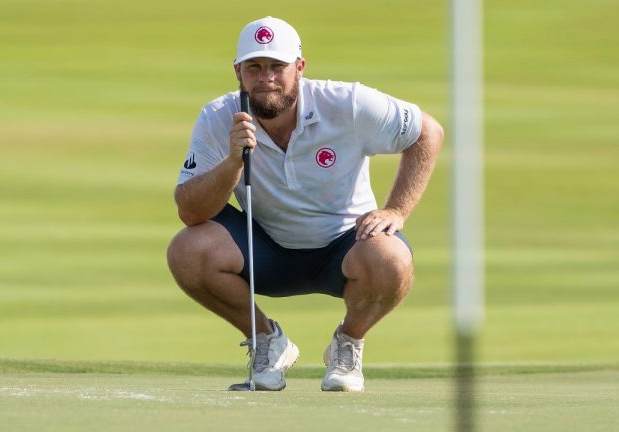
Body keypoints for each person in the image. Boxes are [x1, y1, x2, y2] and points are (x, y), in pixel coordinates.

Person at [167, 16, 443, 392]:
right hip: (264, 249)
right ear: (238, 72)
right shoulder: (218, 117)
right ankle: (267, 341)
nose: (266, 78)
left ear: (299, 68)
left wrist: (397, 210)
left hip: (345, 247)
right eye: (255, 67)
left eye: (277, 67)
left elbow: (427, 132)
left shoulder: (347, 103)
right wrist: (233, 160)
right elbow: (191, 211)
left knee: (393, 259)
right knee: (187, 249)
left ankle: (348, 344)